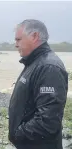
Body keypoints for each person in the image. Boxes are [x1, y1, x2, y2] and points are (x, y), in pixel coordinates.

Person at [8, 19, 68, 149]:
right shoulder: (34, 63)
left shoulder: (49, 67)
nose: (15, 44)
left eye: (18, 39)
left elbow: (48, 121)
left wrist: (18, 134)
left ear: (34, 36)